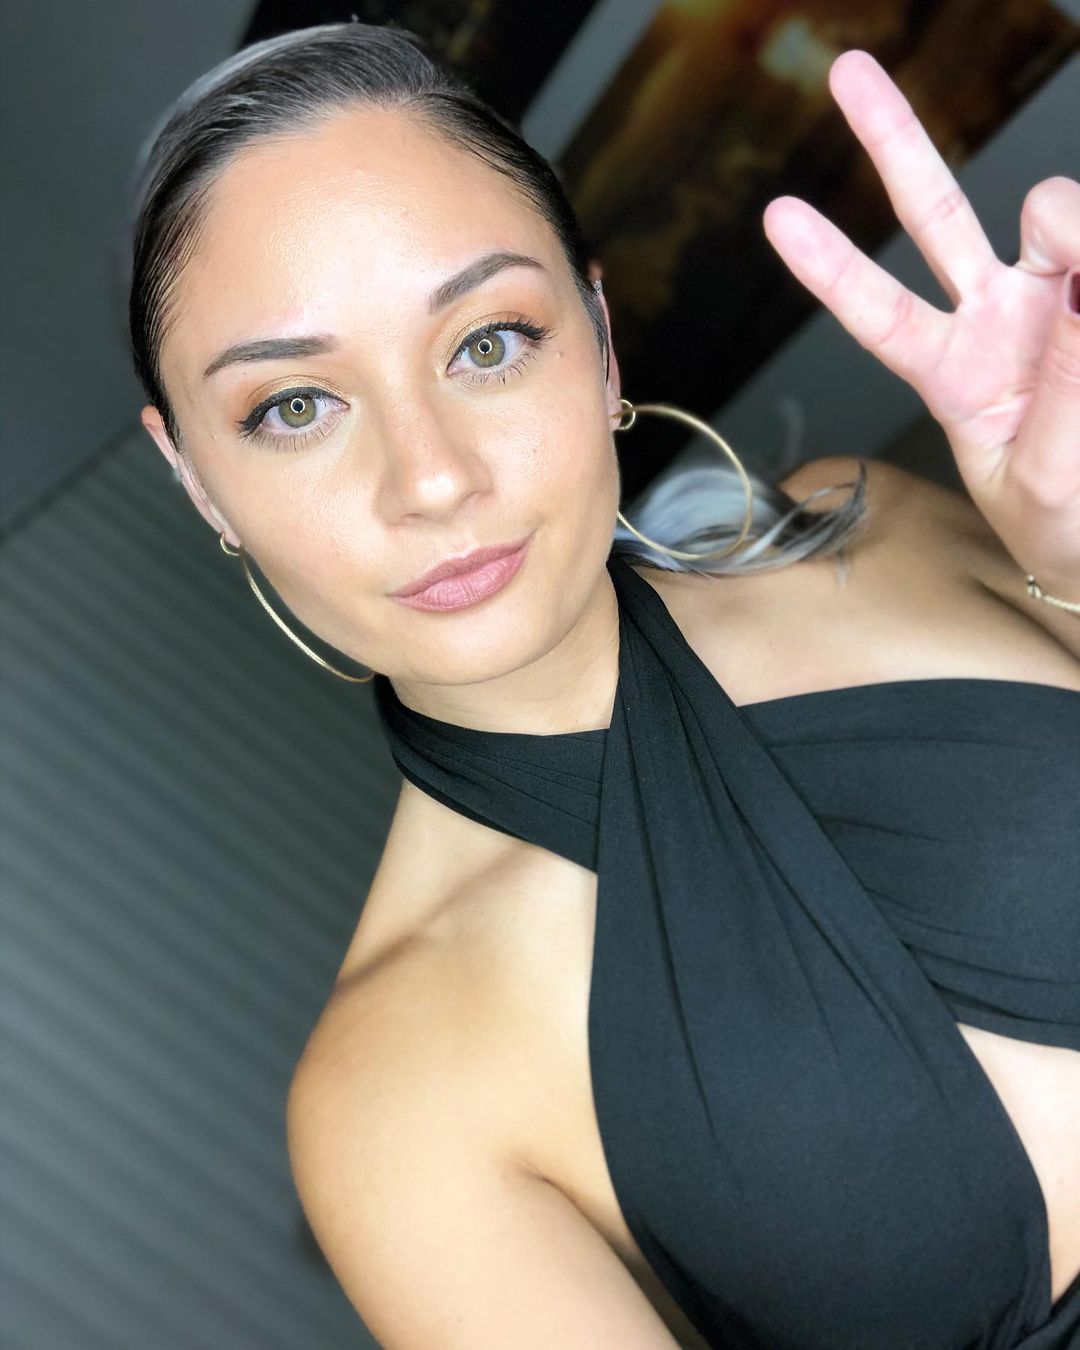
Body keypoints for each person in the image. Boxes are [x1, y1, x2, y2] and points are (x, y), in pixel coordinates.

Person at [127, 21, 1080, 1350]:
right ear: (197, 480)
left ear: (601, 339)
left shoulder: (870, 529)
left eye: (488, 342)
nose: (432, 477)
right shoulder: (387, 1100)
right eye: (296, 406)